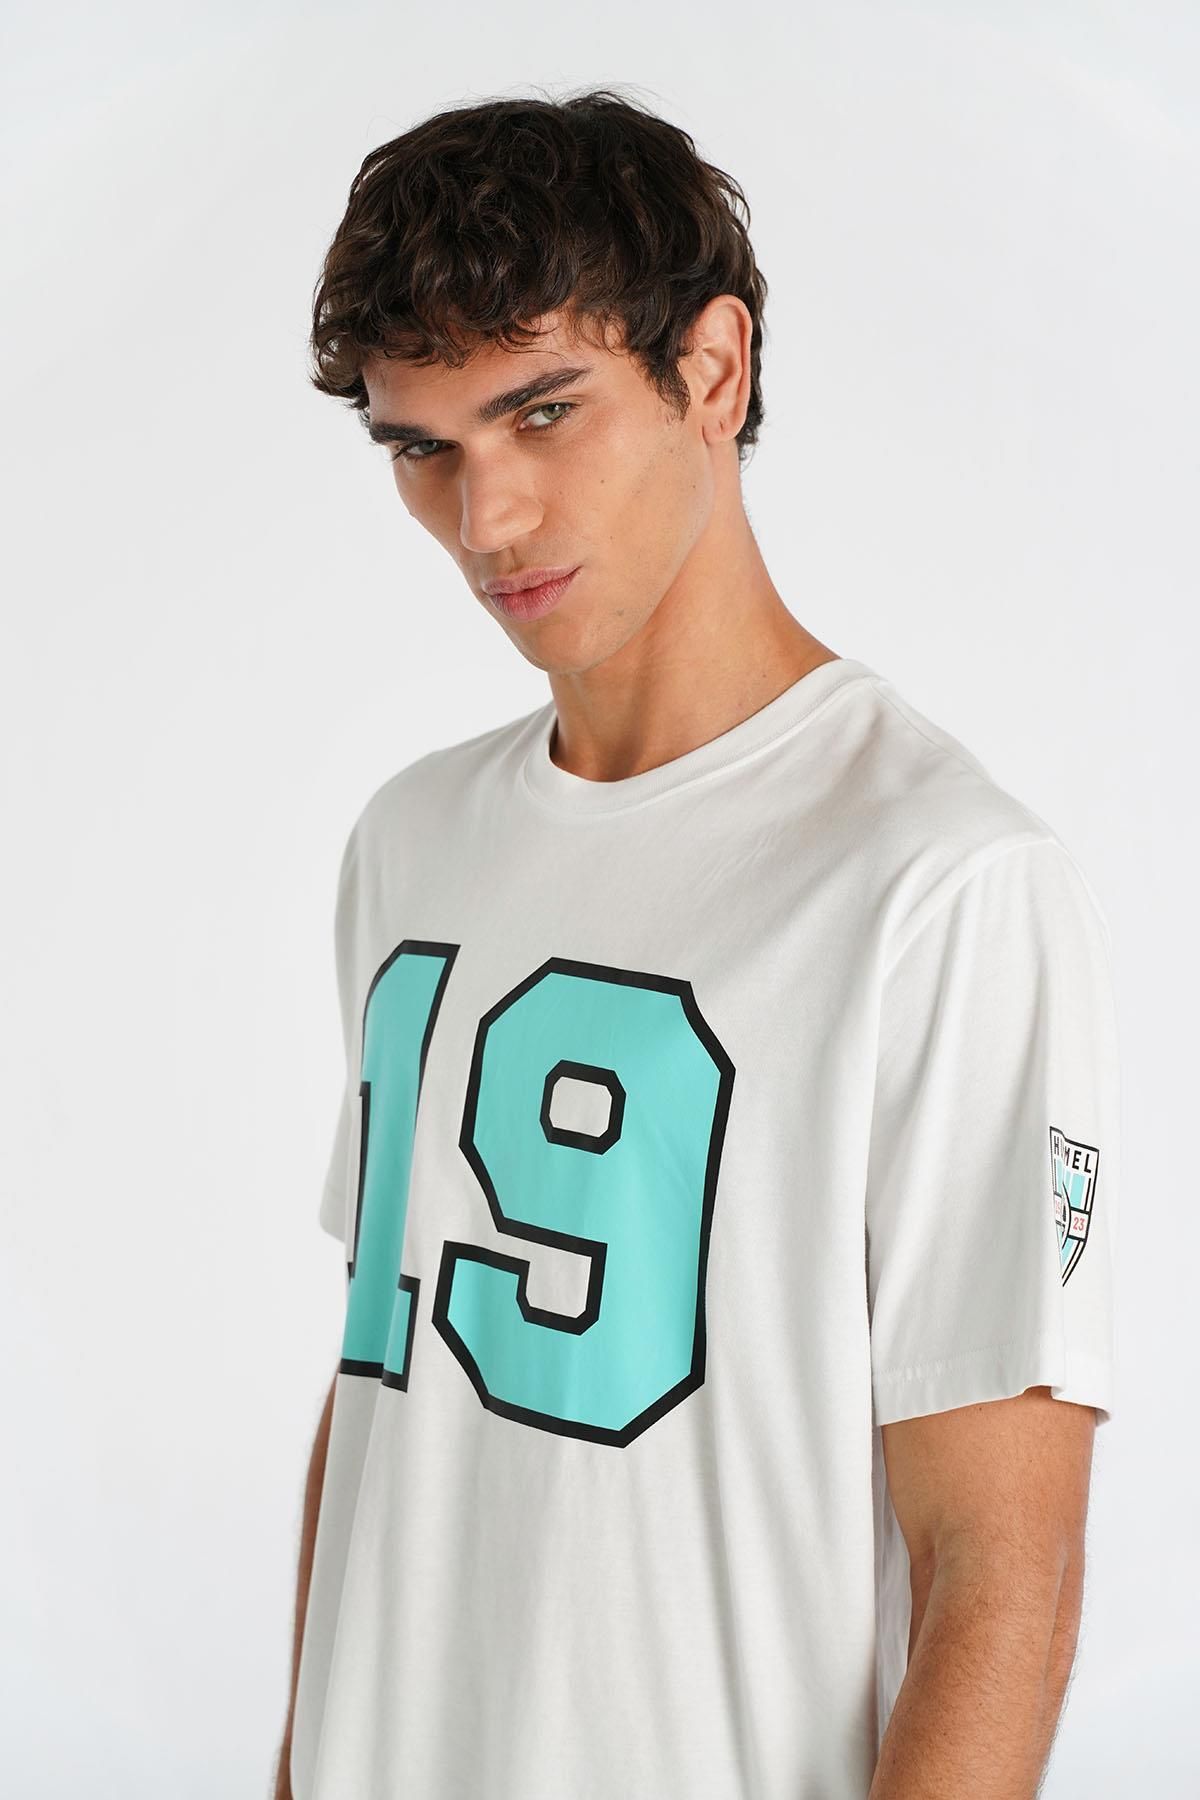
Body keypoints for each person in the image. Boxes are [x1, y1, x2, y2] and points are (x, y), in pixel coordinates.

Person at [273, 87, 1119, 1800]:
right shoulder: (409, 842)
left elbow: (1001, 1582)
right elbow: (385, 1395)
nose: (487, 518)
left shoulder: (939, 879)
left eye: (542, 412)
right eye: (422, 447)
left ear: (712, 371)